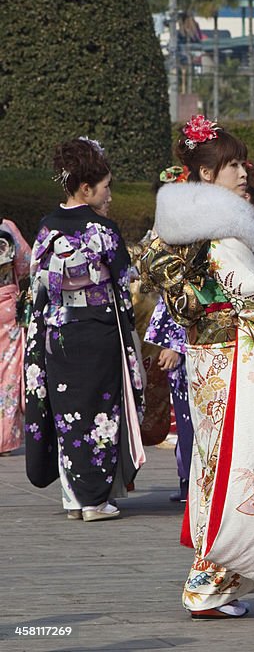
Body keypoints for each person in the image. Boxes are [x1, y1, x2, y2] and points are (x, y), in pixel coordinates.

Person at [140, 115, 254, 619]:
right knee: (243, 463)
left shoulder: (179, 226)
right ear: (205, 174)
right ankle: (209, 582)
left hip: (208, 355)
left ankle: (214, 573)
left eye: (240, 163)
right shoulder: (222, 230)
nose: (241, 172)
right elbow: (250, 294)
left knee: (216, 462)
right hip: (237, 354)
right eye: (230, 165)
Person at [23, 137, 146, 521]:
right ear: (86, 188)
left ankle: (74, 498)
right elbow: (124, 282)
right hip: (97, 331)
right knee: (98, 414)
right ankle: (94, 500)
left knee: (66, 414)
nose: (110, 194)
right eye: (106, 187)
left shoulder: (46, 228)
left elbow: (37, 286)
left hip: (57, 332)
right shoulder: (102, 230)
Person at [1, 219, 31, 455]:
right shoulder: (7, 228)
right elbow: (26, 263)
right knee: (8, 373)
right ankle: (4, 438)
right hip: (5, 306)